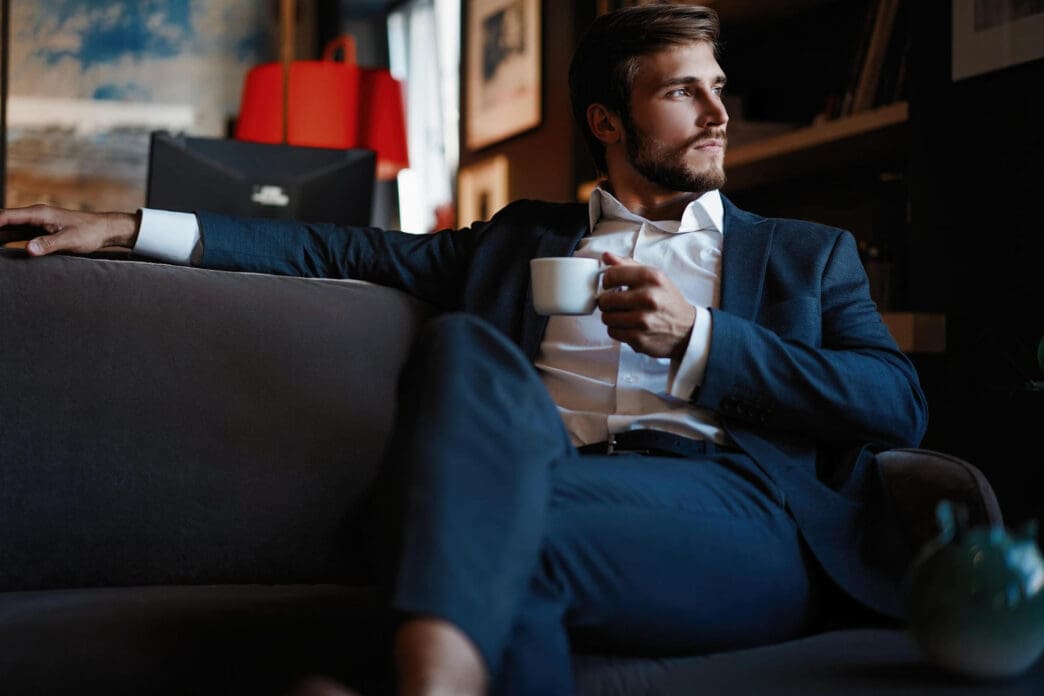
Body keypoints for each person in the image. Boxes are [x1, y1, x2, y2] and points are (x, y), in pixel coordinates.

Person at [0, 4, 927, 695]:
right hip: (537, 472)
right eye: (685, 90)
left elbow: (896, 403)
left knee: (489, 528)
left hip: (736, 509)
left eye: (718, 87)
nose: (718, 112)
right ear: (607, 122)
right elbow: (339, 246)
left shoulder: (807, 255)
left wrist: (704, 342)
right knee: (464, 355)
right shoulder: (517, 240)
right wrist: (128, 226)